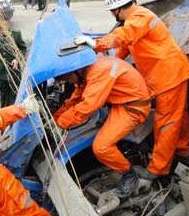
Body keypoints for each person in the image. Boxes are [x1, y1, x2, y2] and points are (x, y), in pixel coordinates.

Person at [74, 0, 189, 181]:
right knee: (178, 117)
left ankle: (158, 170)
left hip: (169, 75)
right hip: (167, 74)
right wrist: (99, 61)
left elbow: (123, 36)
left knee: (167, 122)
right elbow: (122, 51)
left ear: (116, 11)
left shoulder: (139, 17)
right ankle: (181, 151)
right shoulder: (134, 21)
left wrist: (96, 44)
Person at [54, 55, 152, 198]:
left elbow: (88, 106)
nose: (69, 82)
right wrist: (55, 118)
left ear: (75, 70)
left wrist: (62, 123)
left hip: (133, 107)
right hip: (121, 103)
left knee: (101, 147)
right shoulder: (87, 69)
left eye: (68, 78)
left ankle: (129, 175)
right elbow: (76, 98)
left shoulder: (99, 72)